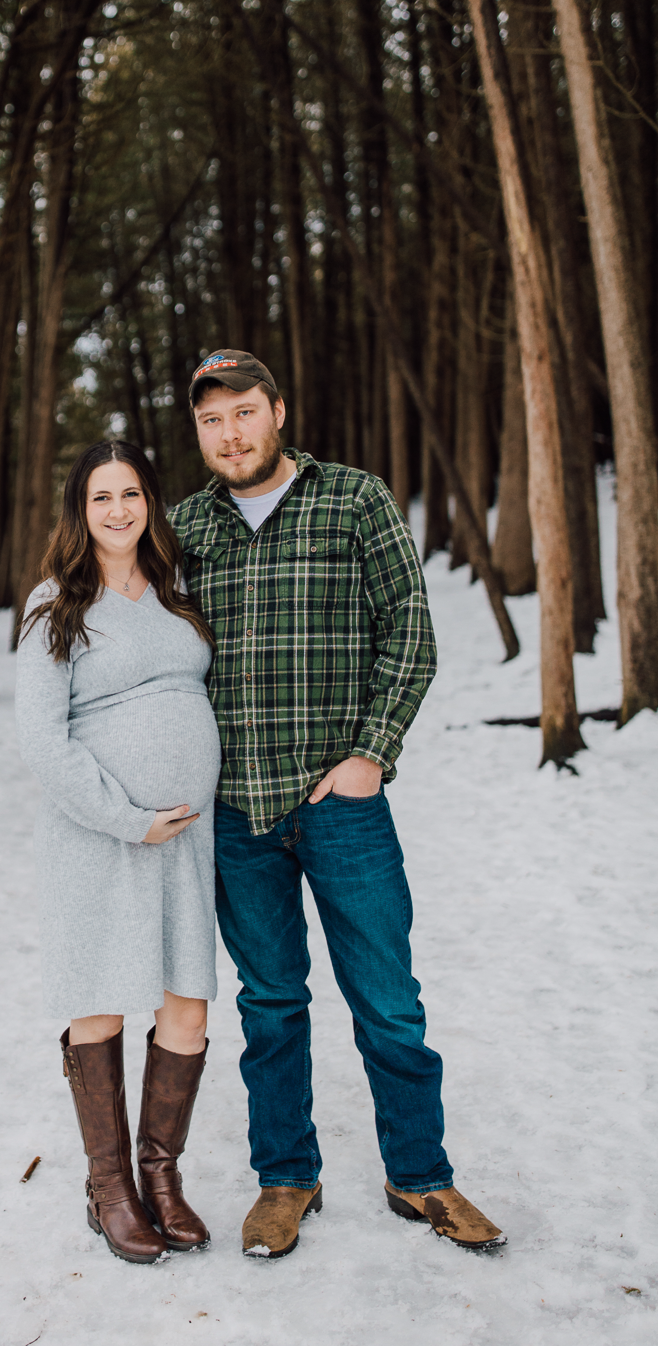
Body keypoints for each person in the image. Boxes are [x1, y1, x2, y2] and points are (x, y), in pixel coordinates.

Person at [169, 349, 505, 1257]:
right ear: (196, 431)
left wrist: (370, 753)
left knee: (387, 998)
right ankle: (286, 1177)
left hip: (340, 802)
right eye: (211, 420)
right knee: (270, 1002)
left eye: (242, 411)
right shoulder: (183, 528)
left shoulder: (353, 498)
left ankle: (419, 1175)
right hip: (235, 810)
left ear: (276, 410)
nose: (229, 432)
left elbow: (410, 632)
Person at [15, 440, 221, 1264]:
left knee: (186, 1004)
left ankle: (160, 1179)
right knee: (99, 998)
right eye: (101, 497)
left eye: (130, 493)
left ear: (149, 502)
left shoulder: (176, 592)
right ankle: (109, 1192)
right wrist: (125, 816)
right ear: (80, 510)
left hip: (185, 841)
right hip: (99, 836)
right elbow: (40, 740)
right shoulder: (54, 605)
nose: (118, 510)